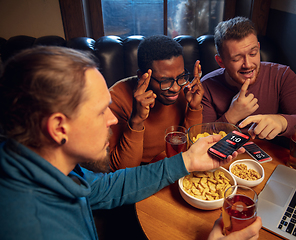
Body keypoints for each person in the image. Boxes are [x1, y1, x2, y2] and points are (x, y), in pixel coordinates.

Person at [0, 46, 261, 240]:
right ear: (59, 128)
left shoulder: (51, 166)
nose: (113, 119)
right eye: (101, 111)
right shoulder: (35, 228)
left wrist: (188, 160)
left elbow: (105, 187)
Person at [201, 17, 296, 140]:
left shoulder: (282, 75)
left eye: (253, 54)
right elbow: (201, 140)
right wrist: (231, 116)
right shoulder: (207, 86)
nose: (248, 64)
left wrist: (282, 121)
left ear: (258, 48)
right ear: (221, 62)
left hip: (271, 156)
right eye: (236, 59)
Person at [109, 35, 204, 170]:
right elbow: (121, 172)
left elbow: (190, 149)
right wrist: (136, 120)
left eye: (181, 76)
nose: (175, 88)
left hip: (175, 167)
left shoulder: (185, 88)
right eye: (165, 81)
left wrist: (194, 108)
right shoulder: (115, 98)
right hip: (139, 174)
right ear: (142, 76)